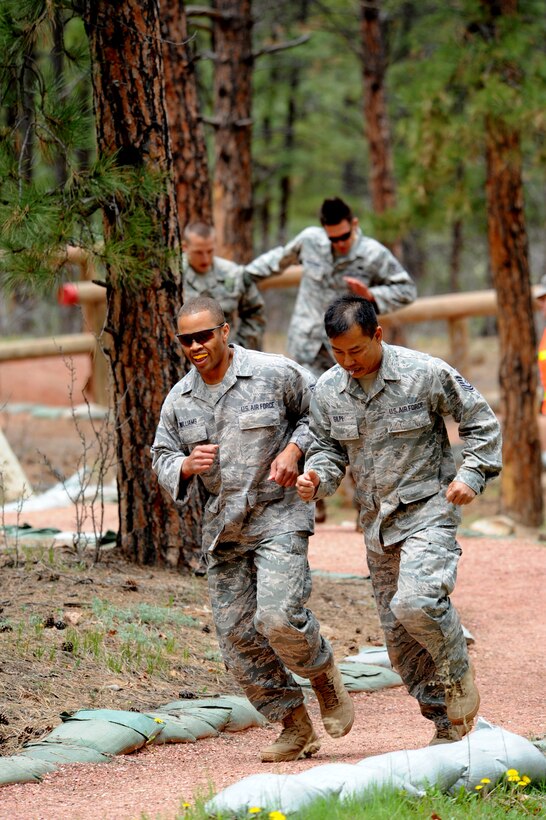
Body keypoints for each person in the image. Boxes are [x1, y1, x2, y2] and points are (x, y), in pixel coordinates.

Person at [151, 296, 354, 763]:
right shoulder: (180, 401)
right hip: (225, 531)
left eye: (205, 335)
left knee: (278, 616)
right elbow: (160, 454)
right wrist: (183, 465)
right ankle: (294, 726)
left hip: (278, 515)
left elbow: (319, 410)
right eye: (187, 339)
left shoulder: (274, 372)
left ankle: (323, 675)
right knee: (238, 639)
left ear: (225, 331)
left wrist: (295, 450)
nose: (196, 346)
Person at [296, 295, 502, 745]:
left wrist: (471, 473)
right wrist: (317, 478)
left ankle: (458, 673)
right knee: (401, 644)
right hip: (377, 525)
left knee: (417, 602)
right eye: (338, 352)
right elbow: (327, 449)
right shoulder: (328, 390)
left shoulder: (423, 372)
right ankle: (449, 729)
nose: (349, 361)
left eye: (357, 350)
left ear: (378, 335)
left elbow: (481, 422)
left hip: (429, 509)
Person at [245, 196, 416, 377]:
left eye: (344, 236)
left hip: (350, 351)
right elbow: (278, 259)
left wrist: (372, 295)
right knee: (305, 401)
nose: (340, 243)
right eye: (333, 239)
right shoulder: (310, 241)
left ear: (354, 224)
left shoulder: (373, 254)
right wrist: (242, 275)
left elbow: (406, 290)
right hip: (307, 346)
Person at [183, 222, 266, 350]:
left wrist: (241, 347)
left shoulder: (232, 274)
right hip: (183, 355)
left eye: (210, 251)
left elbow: (255, 311)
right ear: (185, 247)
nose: (205, 259)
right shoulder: (172, 276)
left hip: (223, 357)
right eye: (198, 253)